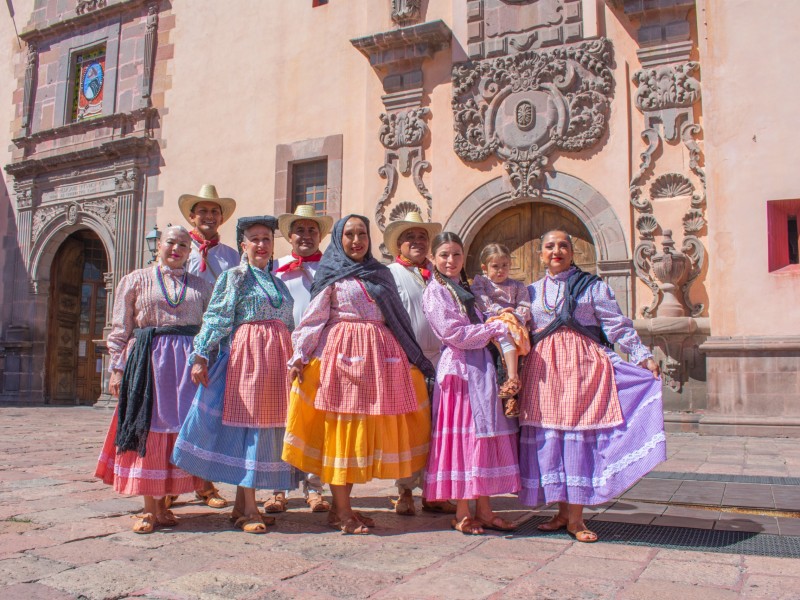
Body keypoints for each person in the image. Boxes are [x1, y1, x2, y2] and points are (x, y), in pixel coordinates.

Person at [282, 214, 436, 535]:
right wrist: (300, 355)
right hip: (341, 362)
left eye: (361, 234)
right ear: (339, 239)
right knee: (343, 434)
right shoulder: (331, 275)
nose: (356, 240)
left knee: (357, 438)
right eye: (349, 234)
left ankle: (342, 510)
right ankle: (344, 512)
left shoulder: (379, 273)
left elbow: (396, 318)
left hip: (378, 365)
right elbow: (313, 319)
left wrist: (412, 359)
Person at [518, 229, 665, 543]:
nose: (556, 250)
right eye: (549, 246)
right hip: (543, 374)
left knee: (576, 440)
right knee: (551, 440)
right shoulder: (530, 291)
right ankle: (560, 513)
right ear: (540, 253)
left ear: (572, 252)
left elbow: (616, 324)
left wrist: (642, 356)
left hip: (582, 370)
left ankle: (576, 519)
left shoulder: (594, 287)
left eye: (562, 246)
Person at [172, 216, 301, 534]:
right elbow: (216, 316)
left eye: (266, 239)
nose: (261, 245)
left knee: (266, 430)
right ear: (243, 245)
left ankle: (243, 507)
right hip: (248, 359)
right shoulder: (235, 277)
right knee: (251, 431)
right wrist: (200, 356)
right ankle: (250, 510)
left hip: (276, 361)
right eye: (254, 239)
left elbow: (290, 325)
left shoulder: (279, 283)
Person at [95, 226, 211, 533]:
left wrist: (205, 359)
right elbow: (121, 328)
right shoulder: (135, 280)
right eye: (171, 242)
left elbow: (209, 328)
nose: (176, 248)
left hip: (185, 368)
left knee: (179, 429)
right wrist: (117, 369)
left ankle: (163, 505)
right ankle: (149, 508)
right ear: (159, 245)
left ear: (190, 251)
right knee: (149, 429)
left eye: (183, 245)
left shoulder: (201, 286)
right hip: (148, 365)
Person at [422, 232, 521, 535]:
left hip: (481, 370)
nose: (450, 261)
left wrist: (501, 319)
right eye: (444, 255)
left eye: (456, 255)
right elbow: (454, 334)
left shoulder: (464, 289)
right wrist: (493, 328)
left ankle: (486, 510)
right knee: (465, 440)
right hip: (459, 372)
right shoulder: (435, 291)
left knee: (482, 438)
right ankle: (463, 511)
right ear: (434, 259)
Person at [383, 211, 456, 517]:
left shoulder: (439, 274)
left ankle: (433, 491)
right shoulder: (390, 275)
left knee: (437, 427)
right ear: (398, 245)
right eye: (409, 237)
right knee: (409, 429)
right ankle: (404, 491)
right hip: (407, 361)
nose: (416, 242)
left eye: (422, 237)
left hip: (441, 361)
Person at [267, 204, 334, 514]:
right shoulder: (274, 266)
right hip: (280, 351)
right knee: (279, 419)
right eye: (300, 230)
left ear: (319, 235)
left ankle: (314, 487)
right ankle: (276, 489)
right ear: (289, 235)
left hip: (318, 353)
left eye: (312, 230)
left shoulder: (330, 267)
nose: (306, 236)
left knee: (313, 421)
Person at [177, 183, 240, 509]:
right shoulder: (180, 249)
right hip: (182, 339)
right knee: (179, 413)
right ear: (192, 215)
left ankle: (205, 484)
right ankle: (173, 483)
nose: (209, 216)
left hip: (216, 342)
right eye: (203, 211)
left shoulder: (230, 256)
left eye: (215, 211)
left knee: (207, 415)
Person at [471, 243, 532, 417]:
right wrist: (499, 311)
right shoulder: (481, 283)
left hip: (514, 324)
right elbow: (482, 301)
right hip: (493, 322)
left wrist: (516, 315)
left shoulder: (517, 286)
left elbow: (524, 305)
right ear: (485, 267)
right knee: (502, 347)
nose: (500, 270)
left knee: (519, 357)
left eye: (504, 265)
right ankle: (511, 380)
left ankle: (514, 396)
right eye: (495, 266)